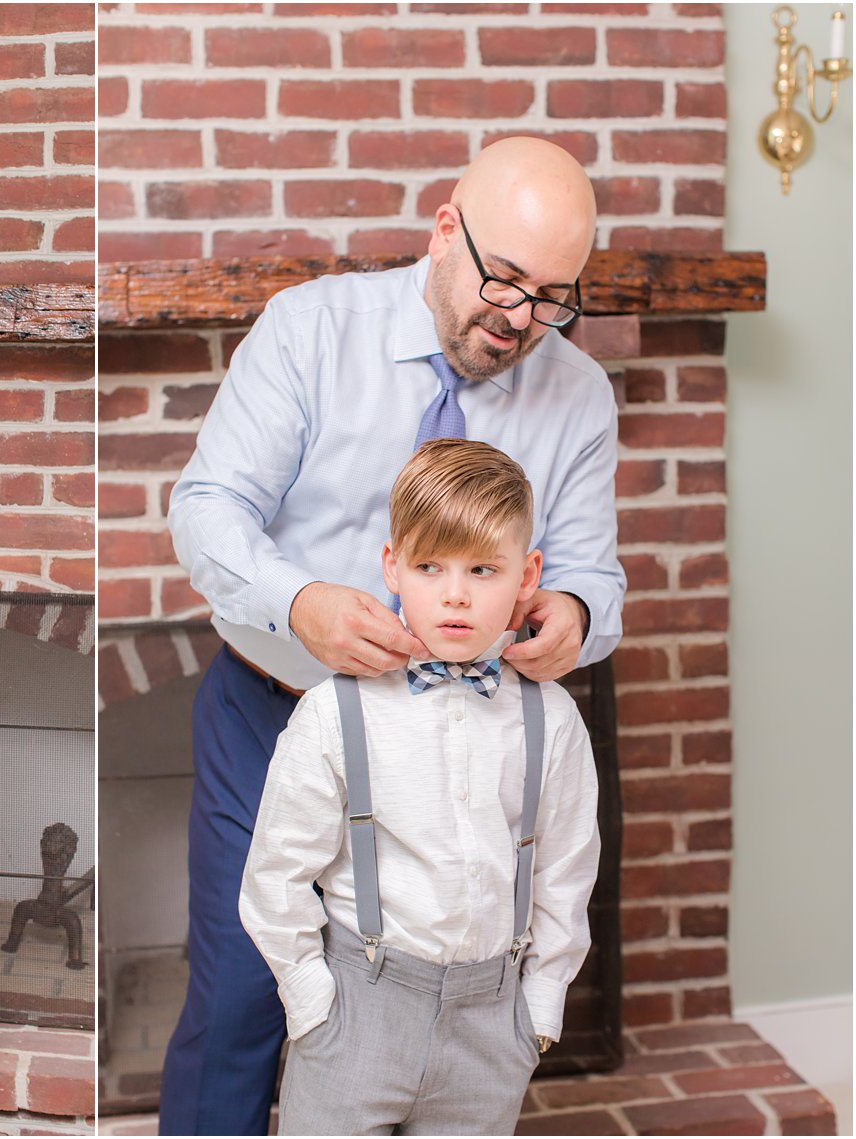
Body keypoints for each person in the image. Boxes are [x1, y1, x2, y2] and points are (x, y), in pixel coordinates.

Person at [161, 136, 626, 1134]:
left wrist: (573, 620)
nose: (518, 319)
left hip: (462, 756)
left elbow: (590, 573)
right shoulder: (308, 330)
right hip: (274, 717)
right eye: (502, 280)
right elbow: (205, 510)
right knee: (242, 995)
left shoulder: (578, 396)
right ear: (443, 229)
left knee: (441, 1006)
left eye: (552, 298)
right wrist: (300, 604)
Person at [241, 439, 601, 1135]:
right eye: (430, 566)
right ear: (393, 568)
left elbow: (564, 867)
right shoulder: (337, 709)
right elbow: (276, 871)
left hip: (492, 1021)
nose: (456, 591)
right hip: (358, 1010)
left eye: (482, 568)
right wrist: (312, 1000)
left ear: (527, 576)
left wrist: (541, 1005)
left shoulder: (550, 717)